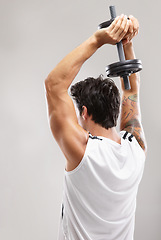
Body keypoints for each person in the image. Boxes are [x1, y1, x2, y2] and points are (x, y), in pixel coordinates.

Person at [45, 14, 147, 240]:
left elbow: (54, 85)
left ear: (84, 112)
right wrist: (126, 40)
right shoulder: (136, 149)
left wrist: (99, 39)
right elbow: (132, 88)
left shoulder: (83, 151)